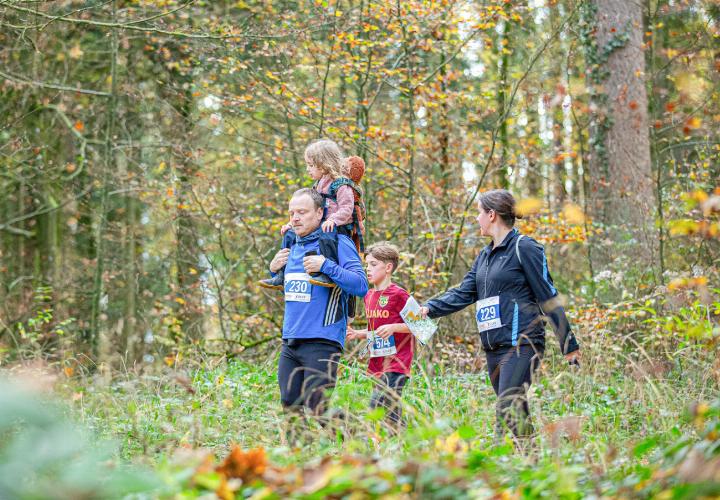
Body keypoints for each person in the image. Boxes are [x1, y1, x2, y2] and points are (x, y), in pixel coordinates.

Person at [419, 189, 580, 443]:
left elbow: (548, 295)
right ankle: (532, 465)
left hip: (522, 343)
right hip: (494, 347)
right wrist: (430, 307)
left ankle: (500, 465)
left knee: (506, 408)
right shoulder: (484, 256)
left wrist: (568, 343)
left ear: (491, 215)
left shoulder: (524, 247)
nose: (476, 219)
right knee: (516, 415)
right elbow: (463, 293)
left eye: (478, 213)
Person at [267, 188, 368, 425]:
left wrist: (325, 265)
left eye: (302, 212)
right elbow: (290, 286)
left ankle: (361, 439)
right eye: (292, 213)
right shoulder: (291, 245)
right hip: (291, 340)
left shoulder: (337, 242)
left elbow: (361, 284)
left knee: (318, 407)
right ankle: (300, 459)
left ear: (320, 213)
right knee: (290, 406)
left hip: (323, 339)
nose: (295, 218)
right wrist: (272, 269)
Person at [259, 139, 364, 292]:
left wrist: (333, 220)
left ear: (324, 164)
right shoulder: (318, 185)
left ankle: (326, 273)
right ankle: (281, 275)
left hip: (336, 227)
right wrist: (291, 224)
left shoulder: (341, 185)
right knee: (289, 235)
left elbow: (347, 209)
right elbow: (311, 207)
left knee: (326, 234)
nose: (307, 169)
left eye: (311, 165)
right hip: (321, 225)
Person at [347, 242, 414, 431]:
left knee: (377, 405)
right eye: (367, 264)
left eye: (373, 264)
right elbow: (378, 330)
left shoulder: (399, 294)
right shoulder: (368, 296)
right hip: (377, 361)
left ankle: (395, 443)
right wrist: (359, 334)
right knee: (389, 410)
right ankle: (401, 444)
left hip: (397, 362)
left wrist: (394, 327)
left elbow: (422, 327)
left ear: (388, 267)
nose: (368, 269)